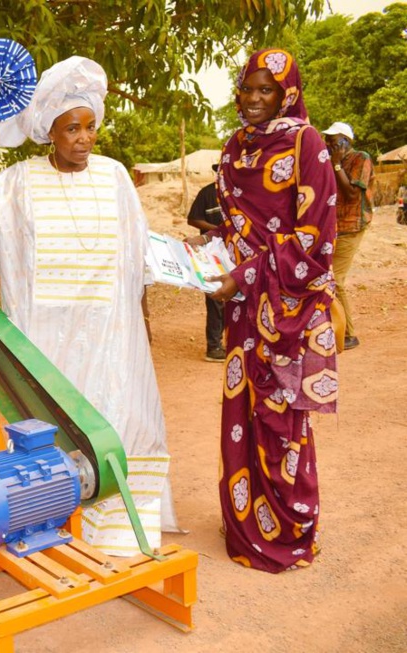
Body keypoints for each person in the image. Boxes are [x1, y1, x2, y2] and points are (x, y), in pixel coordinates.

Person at [0, 56, 179, 552]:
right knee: (54, 432)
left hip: (112, 339)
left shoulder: (116, 176)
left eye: (90, 126)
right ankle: (54, 533)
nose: (83, 138)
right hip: (45, 341)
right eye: (71, 129)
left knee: (121, 422)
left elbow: (137, 254)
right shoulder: (17, 182)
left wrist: (142, 327)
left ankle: (123, 539)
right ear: (49, 132)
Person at [191, 48, 339, 573]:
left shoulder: (307, 144)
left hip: (288, 310)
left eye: (266, 90)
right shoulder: (234, 149)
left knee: (282, 422)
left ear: (287, 93)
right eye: (247, 89)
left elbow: (314, 239)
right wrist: (208, 259)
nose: (253, 100)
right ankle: (246, 529)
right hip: (243, 312)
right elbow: (234, 230)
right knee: (242, 417)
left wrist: (245, 273)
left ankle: (291, 529)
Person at [322, 121, 373, 350]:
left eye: (332, 141)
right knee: (328, 277)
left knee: (335, 279)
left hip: (351, 226)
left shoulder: (360, 158)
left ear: (345, 141)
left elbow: (352, 194)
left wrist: (335, 165)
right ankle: (338, 328)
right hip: (334, 227)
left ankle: (349, 333)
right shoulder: (335, 163)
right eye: (328, 141)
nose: (328, 145)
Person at [186, 163, 226, 362]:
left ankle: (231, 342)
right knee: (215, 298)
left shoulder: (238, 194)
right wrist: (215, 231)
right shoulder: (207, 193)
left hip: (234, 252)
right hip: (211, 252)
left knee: (234, 298)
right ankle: (214, 347)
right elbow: (193, 219)